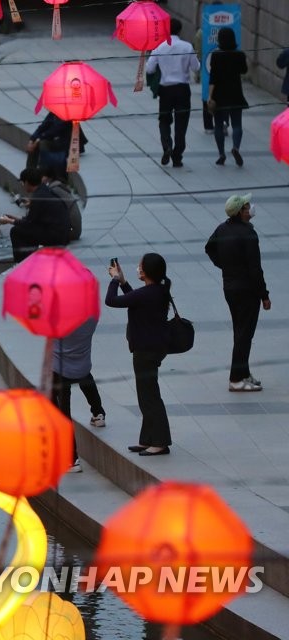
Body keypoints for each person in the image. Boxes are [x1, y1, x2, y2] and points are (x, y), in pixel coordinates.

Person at [105, 253, 173, 456]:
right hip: (153, 348)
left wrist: (115, 280)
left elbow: (111, 301)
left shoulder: (148, 294)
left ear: (147, 271)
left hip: (146, 351)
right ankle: (148, 439)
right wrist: (124, 282)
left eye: (140, 266)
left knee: (149, 396)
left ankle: (160, 441)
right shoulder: (157, 291)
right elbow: (134, 299)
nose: (138, 268)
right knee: (146, 394)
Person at [205, 194, 270, 392]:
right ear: (241, 212)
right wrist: (264, 295)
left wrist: (225, 265)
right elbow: (255, 269)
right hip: (247, 291)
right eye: (247, 206)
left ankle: (243, 372)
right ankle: (236, 378)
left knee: (241, 332)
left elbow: (209, 248)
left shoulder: (222, 228)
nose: (250, 208)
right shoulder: (248, 234)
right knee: (244, 334)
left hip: (230, 288)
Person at [52, 315, 107, 473]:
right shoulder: (91, 319)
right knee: (86, 380)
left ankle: (72, 458)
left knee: (64, 411)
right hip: (82, 364)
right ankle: (98, 413)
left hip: (60, 369)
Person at [145, 19, 200, 168]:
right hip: (182, 88)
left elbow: (149, 69)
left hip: (165, 89)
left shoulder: (159, 47)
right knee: (181, 123)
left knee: (164, 119)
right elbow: (196, 67)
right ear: (180, 30)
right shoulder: (187, 46)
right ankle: (177, 156)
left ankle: (167, 146)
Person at [0, 167, 70, 263]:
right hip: (61, 233)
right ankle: (30, 258)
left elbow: (29, 224)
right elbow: (34, 220)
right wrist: (16, 219)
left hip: (56, 237)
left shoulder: (38, 197)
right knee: (26, 230)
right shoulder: (44, 190)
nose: (22, 185)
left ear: (27, 182)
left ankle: (22, 263)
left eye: (22, 183)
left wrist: (9, 221)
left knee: (16, 232)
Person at [208, 27, 248, 167]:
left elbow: (212, 78)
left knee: (218, 125)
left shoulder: (216, 55)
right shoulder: (239, 54)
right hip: (236, 93)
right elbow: (244, 70)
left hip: (219, 95)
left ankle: (221, 154)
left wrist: (210, 97)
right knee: (237, 124)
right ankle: (236, 147)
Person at [26, 112, 87, 177]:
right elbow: (42, 126)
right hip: (56, 141)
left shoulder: (68, 114)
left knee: (42, 144)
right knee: (35, 145)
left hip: (68, 145)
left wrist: (38, 140)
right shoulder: (53, 113)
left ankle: (43, 173)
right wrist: (32, 140)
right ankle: (29, 174)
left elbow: (54, 130)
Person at [42, 165, 81, 241]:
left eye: (41, 176)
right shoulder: (58, 185)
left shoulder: (54, 189)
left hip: (72, 232)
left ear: (48, 177)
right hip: (76, 230)